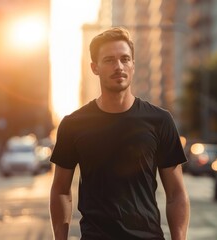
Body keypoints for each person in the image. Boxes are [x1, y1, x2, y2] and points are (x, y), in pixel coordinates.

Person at [49, 27, 190, 240]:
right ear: (94, 67)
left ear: (133, 64)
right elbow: (60, 189)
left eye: (125, 59)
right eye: (109, 60)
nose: (119, 67)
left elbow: (176, 193)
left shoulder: (160, 121)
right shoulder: (73, 124)